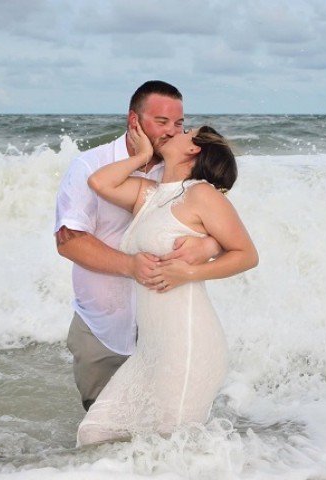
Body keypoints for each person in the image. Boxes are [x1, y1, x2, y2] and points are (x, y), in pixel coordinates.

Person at [76, 122, 259, 447]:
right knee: (96, 433)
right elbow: (98, 182)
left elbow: (246, 255)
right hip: (151, 350)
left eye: (185, 131)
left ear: (193, 149)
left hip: (188, 345)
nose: (176, 131)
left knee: (171, 447)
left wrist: (190, 272)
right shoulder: (148, 194)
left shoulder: (201, 194)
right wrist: (142, 155)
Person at [54, 81, 221, 412]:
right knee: (103, 427)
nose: (173, 132)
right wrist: (130, 265)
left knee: (164, 424)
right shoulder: (90, 165)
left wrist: (208, 246)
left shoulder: (180, 168)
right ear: (134, 121)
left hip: (164, 324)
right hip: (103, 327)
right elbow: (68, 242)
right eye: (162, 122)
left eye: (179, 123)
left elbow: (220, 221)